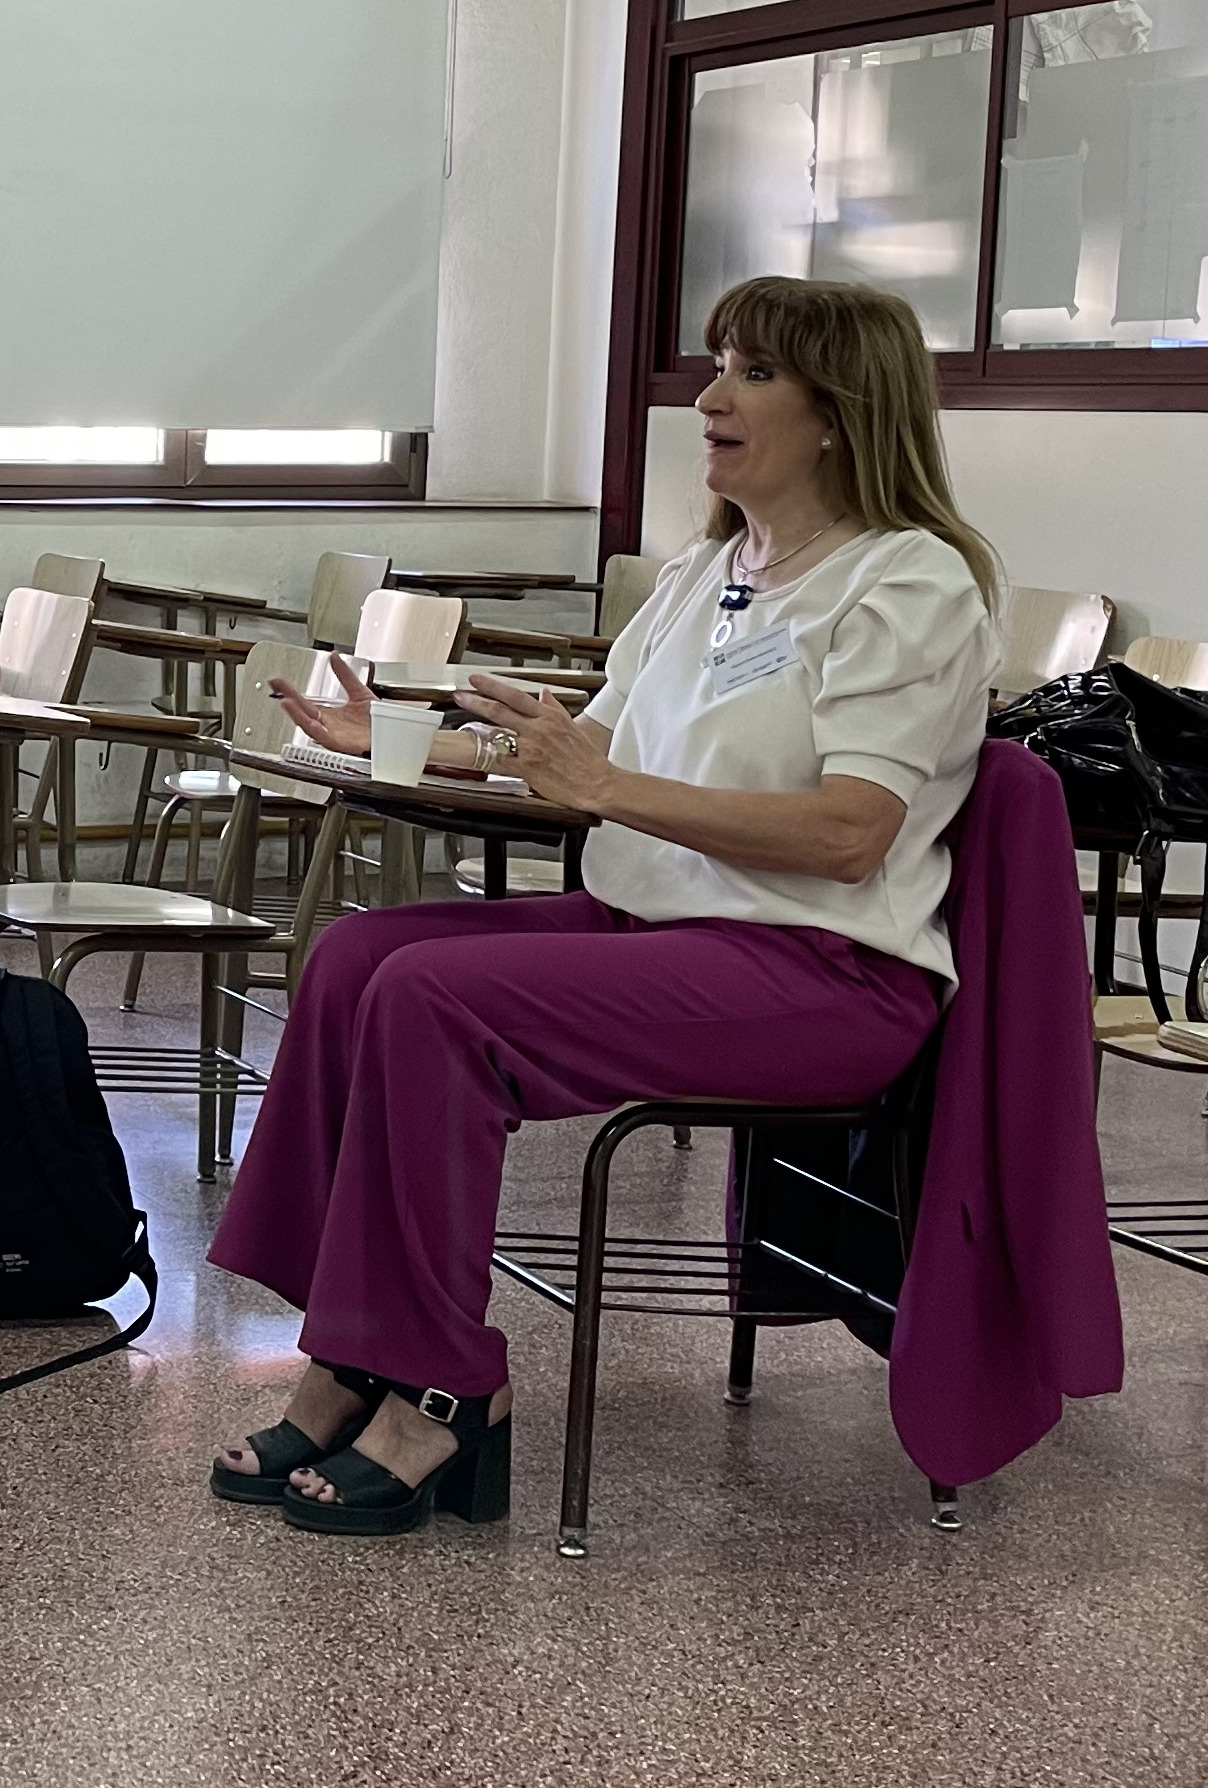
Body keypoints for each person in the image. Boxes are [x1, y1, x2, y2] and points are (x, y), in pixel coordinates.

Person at [205, 276, 1002, 1538]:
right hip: (661, 927)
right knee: (356, 956)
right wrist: (397, 739)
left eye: (753, 373)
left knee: (431, 996)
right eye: (716, 364)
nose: (711, 396)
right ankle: (353, 1349)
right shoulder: (707, 573)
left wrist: (607, 785)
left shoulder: (907, 583)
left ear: (840, 412)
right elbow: (589, 752)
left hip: (824, 972)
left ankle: (441, 1383)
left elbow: (852, 834)